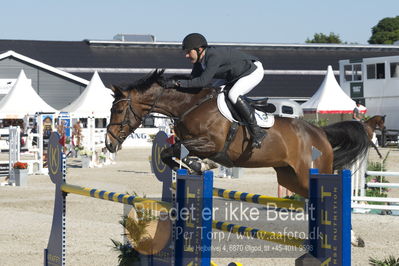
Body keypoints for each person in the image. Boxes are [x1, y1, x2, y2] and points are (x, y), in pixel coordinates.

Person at [165, 33, 266, 148]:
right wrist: (174, 84)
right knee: (213, 92)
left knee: (233, 94)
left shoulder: (213, 56)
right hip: (233, 75)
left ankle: (257, 131)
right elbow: (193, 82)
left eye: (188, 52)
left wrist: (177, 83)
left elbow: (202, 81)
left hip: (252, 71)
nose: (186, 55)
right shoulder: (199, 62)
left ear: (199, 50)